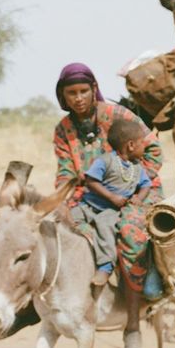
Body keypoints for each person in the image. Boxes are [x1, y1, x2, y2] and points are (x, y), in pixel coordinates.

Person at [53, 62, 164, 348]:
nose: (78, 98)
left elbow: (153, 151)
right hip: (90, 194)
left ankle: (132, 325)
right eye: (71, 93)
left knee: (128, 232)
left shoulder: (117, 115)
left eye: (83, 91)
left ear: (93, 90)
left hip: (137, 192)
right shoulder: (63, 130)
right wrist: (62, 200)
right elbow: (65, 172)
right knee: (58, 231)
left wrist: (131, 185)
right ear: (63, 96)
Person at [71, 119, 152, 287]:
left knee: (105, 226)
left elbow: (146, 185)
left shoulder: (137, 168)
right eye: (142, 143)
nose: (144, 147)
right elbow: (91, 181)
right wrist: (111, 196)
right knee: (68, 218)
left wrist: (139, 198)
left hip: (111, 211)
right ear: (130, 145)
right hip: (89, 205)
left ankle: (105, 265)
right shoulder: (105, 160)